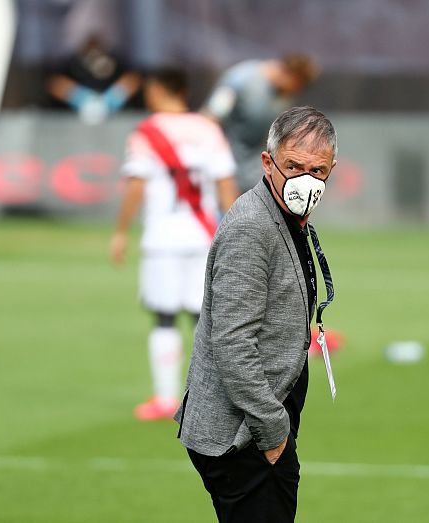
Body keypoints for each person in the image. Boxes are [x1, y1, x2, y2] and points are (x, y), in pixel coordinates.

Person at [175, 106, 337, 522]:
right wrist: (271, 432)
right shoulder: (253, 226)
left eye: (317, 170)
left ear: (332, 169)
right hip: (242, 435)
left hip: (256, 425)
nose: (306, 180)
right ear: (268, 163)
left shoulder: (286, 216)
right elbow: (232, 341)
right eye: (294, 166)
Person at [110, 68, 239, 421]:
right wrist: (237, 230)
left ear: (159, 90)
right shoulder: (208, 129)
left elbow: (137, 185)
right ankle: (212, 398)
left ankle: (166, 398)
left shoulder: (147, 132)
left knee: (164, 317)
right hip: (204, 236)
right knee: (204, 318)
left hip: (163, 239)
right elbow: (226, 183)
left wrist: (120, 230)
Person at [203, 54, 319, 191]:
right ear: (288, 73)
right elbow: (210, 118)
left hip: (254, 179)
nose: (297, 92)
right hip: (224, 176)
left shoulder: (284, 96)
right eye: (298, 85)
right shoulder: (240, 80)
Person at [47, 35, 141, 125]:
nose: (93, 47)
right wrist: (80, 98)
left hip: (113, 117)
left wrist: (110, 99)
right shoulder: (73, 62)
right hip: (77, 119)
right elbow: (54, 83)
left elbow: (134, 79)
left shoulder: (115, 59)